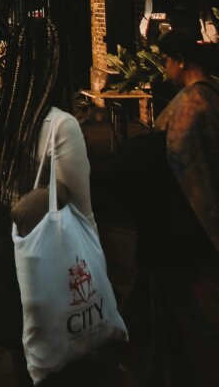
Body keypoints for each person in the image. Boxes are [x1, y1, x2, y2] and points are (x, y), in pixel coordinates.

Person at [0, 17, 96, 386]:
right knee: (64, 367)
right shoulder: (62, 126)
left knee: (23, 359)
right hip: (52, 266)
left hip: (1, 256)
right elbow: (84, 212)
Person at [93, 25, 219, 385]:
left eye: (166, 60)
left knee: (190, 331)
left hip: (184, 237)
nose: (164, 69)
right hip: (192, 234)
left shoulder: (189, 109)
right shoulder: (211, 97)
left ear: (180, 61)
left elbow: (187, 174)